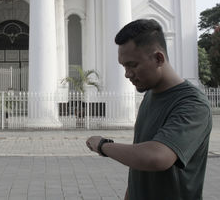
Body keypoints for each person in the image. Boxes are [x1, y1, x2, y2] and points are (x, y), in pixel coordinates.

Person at [86, 19, 212, 200]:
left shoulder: (192, 104)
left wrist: (103, 146)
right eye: (124, 66)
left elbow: (156, 157)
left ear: (158, 58)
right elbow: (140, 164)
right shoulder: (149, 96)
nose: (127, 74)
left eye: (132, 65)